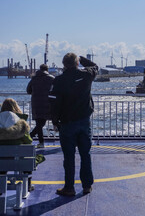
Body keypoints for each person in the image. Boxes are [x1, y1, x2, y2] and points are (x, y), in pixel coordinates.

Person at [50, 53, 98, 196]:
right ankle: (87, 186)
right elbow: (95, 66)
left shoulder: (58, 81)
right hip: (84, 122)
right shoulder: (87, 75)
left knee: (69, 157)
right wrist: (82, 58)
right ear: (77, 63)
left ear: (64, 65)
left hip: (66, 124)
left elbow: (54, 104)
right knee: (85, 154)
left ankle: (69, 188)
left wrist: (54, 121)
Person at [0, 98, 45, 191]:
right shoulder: (20, 124)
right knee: (28, 157)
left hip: (1, 161)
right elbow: (29, 141)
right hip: (19, 162)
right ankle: (28, 184)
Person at [27, 64, 55, 148]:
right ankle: (31, 136)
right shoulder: (51, 78)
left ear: (40, 69)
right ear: (47, 70)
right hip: (48, 102)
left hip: (36, 102)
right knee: (47, 122)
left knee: (39, 123)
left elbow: (28, 90)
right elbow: (56, 90)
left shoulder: (34, 78)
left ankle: (38, 140)